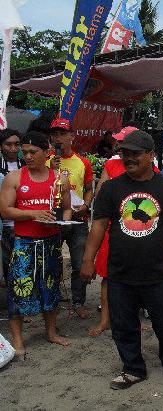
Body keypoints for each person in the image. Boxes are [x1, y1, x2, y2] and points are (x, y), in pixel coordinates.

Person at [80, 128, 163, 389]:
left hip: (159, 271)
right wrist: (88, 259)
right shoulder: (111, 187)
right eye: (124, 153)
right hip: (120, 271)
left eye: (135, 153)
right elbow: (98, 225)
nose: (128, 158)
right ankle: (133, 368)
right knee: (123, 324)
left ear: (151, 155)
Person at [0, 131, 72, 358]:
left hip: (50, 243)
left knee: (51, 288)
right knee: (18, 291)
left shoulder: (59, 178)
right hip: (24, 244)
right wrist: (34, 214)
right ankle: (18, 341)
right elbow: (5, 211)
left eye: (33, 152)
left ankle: (51, 332)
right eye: (25, 151)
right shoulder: (15, 177)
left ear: (47, 153)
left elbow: (67, 208)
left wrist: (64, 221)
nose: (27, 155)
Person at [88, 126, 141, 336]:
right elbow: (101, 193)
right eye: (118, 142)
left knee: (137, 277)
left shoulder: (148, 166)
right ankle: (105, 320)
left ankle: (134, 319)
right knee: (108, 278)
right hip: (113, 228)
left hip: (138, 229)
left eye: (123, 141)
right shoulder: (111, 164)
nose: (118, 145)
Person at [47, 118, 94, 319]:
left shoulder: (83, 162)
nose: (58, 138)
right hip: (52, 218)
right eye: (55, 134)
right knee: (51, 262)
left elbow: (90, 189)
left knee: (79, 262)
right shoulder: (45, 160)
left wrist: (85, 205)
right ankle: (51, 300)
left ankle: (78, 302)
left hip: (78, 220)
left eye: (62, 134)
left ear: (71, 137)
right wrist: (50, 167)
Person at [0, 128, 24, 282]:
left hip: (21, 221)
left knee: (20, 263)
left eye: (17, 144)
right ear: (1, 146)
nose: (14, 148)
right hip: (3, 224)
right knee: (4, 262)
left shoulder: (26, 164)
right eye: (9, 144)